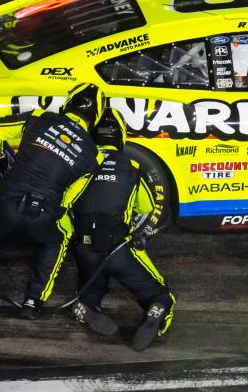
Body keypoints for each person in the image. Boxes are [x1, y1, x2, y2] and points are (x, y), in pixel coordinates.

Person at [0, 83, 106, 324]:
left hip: (5, 205)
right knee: (59, 239)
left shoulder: (39, 118)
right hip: (44, 216)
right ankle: (33, 303)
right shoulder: (94, 155)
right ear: (94, 118)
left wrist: (1, 161)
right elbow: (68, 200)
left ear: (67, 104)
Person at [69, 108, 176, 352]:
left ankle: (84, 306)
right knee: (162, 296)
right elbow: (149, 208)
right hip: (118, 248)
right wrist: (140, 232)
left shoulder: (78, 164)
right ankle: (156, 312)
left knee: (91, 286)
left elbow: (64, 206)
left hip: (85, 249)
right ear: (120, 137)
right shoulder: (132, 165)